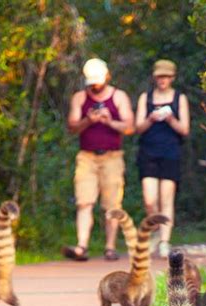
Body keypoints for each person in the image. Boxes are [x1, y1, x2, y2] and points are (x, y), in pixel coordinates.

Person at [63, 58, 134, 261]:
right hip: (87, 157)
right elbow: (72, 126)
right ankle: (82, 246)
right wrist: (88, 120)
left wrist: (109, 121)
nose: (95, 85)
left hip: (112, 156)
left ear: (107, 77)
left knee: (112, 204)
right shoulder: (80, 98)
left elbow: (130, 127)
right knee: (84, 201)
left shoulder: (119, 97)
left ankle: (110, 247)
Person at [135, 59, 190, 258]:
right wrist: (151, 118)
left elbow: (184, 129)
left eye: (166, 76)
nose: (162, 80)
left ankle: (165, 240)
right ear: (155, 78)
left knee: (167, 198)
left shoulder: (178, 98)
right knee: (150, 200)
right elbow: (137, 127)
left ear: (172, 78)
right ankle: (156, 229)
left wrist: (170, 118)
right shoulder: (146, 98)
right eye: (159, 76)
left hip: (170, 152)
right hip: (148, 151)